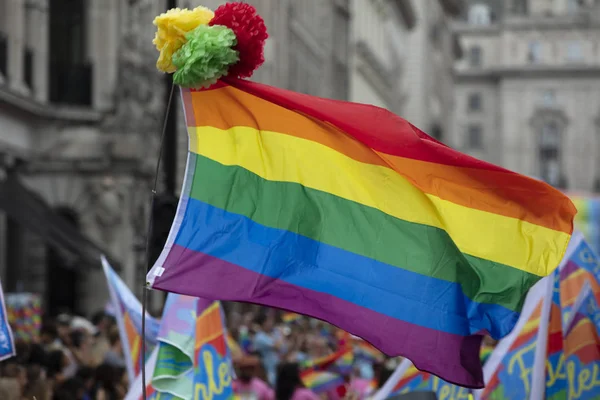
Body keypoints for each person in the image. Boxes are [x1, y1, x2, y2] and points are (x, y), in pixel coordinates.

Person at [253, 314, 283, 386]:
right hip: (268, 370)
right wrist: (281, 334)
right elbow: (277, 346)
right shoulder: (259, 337)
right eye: (269, 321)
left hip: (277, 367)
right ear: (263, 323)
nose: (271, 323)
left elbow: (283, 348)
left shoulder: (273, 334)